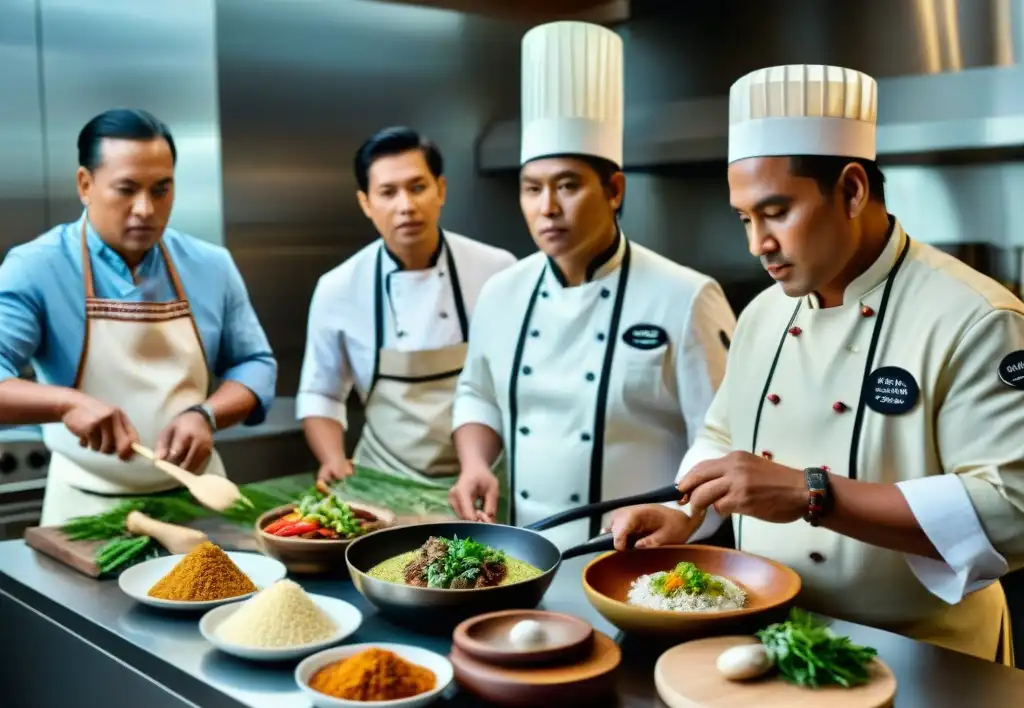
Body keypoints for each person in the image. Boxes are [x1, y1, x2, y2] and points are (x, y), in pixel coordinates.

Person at [609, 64, 1024, 665]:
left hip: (924, 657)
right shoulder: (761, 315)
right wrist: (684, 512)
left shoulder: (976, 316)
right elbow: (723, 436)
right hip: (770, 636)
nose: (758, 245)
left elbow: (1011, 507)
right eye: (745, 219)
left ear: (852, 190)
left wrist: (814, 495)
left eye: (776, 212)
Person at [449, 21, 737, 549]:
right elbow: (477, 392)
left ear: (614, 190)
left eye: (567, 186)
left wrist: (683, 518)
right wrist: (474, 463)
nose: (547, 208)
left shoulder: (687, 296)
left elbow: (723, 442)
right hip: (523, 553)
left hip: (646, 559)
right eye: (532, 189)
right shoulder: (502, 292)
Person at [0, 108, 277, 526]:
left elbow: (255, 364)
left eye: (161, 190)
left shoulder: (211, 266)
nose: (145, 209)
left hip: (198, 499)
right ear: (85, 184)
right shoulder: (36, 267)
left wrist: (206, 415)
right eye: (126, 189)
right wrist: (64, 402)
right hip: (85, 506)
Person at [297, 126, 516, 490]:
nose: (406, 206)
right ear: (366, 203)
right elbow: (321, 391)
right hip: (384, 479)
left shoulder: (497, 271)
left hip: (486, 476)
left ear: (441, 190)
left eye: (417, 187)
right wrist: (333, 458)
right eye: (388, 192)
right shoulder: (338, 288)